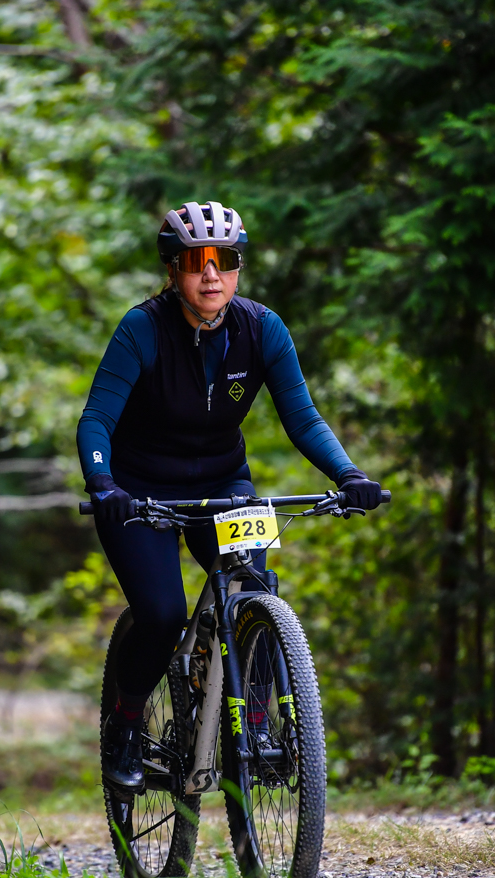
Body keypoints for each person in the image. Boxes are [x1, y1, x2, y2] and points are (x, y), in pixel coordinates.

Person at [76, 201, 382, 794]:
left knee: (253, 589)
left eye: (226, 260)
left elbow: (304, 419)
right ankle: (126, 723)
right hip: (138, 492)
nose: (212, 275)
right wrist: (103, 483)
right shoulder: (142, 328)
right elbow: (96, 420)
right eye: (197, 262)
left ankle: (258, 725)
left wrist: (349, 474)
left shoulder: (262, 328)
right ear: (173, 270)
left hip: (222, 484)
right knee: (162, 615)